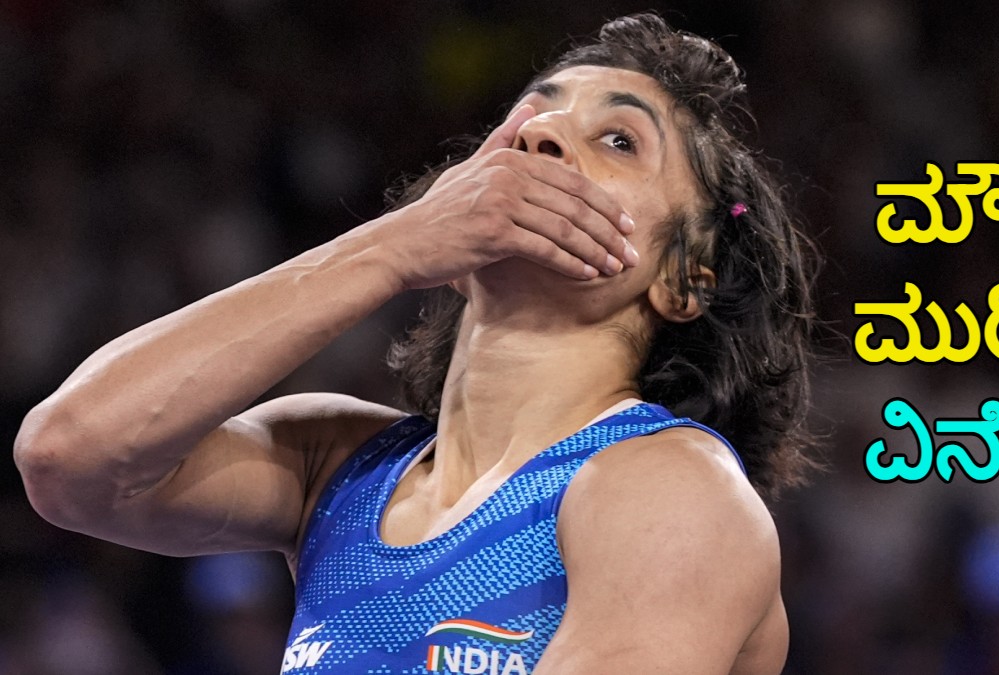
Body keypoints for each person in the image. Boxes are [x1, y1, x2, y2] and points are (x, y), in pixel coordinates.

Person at [14, 13, 818, 675]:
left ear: (682, 279)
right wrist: (393, 247)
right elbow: (69, 453)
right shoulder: (336, 465)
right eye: (528, 118)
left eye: (619, 141)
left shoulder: (675, 487)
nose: (539, 138)